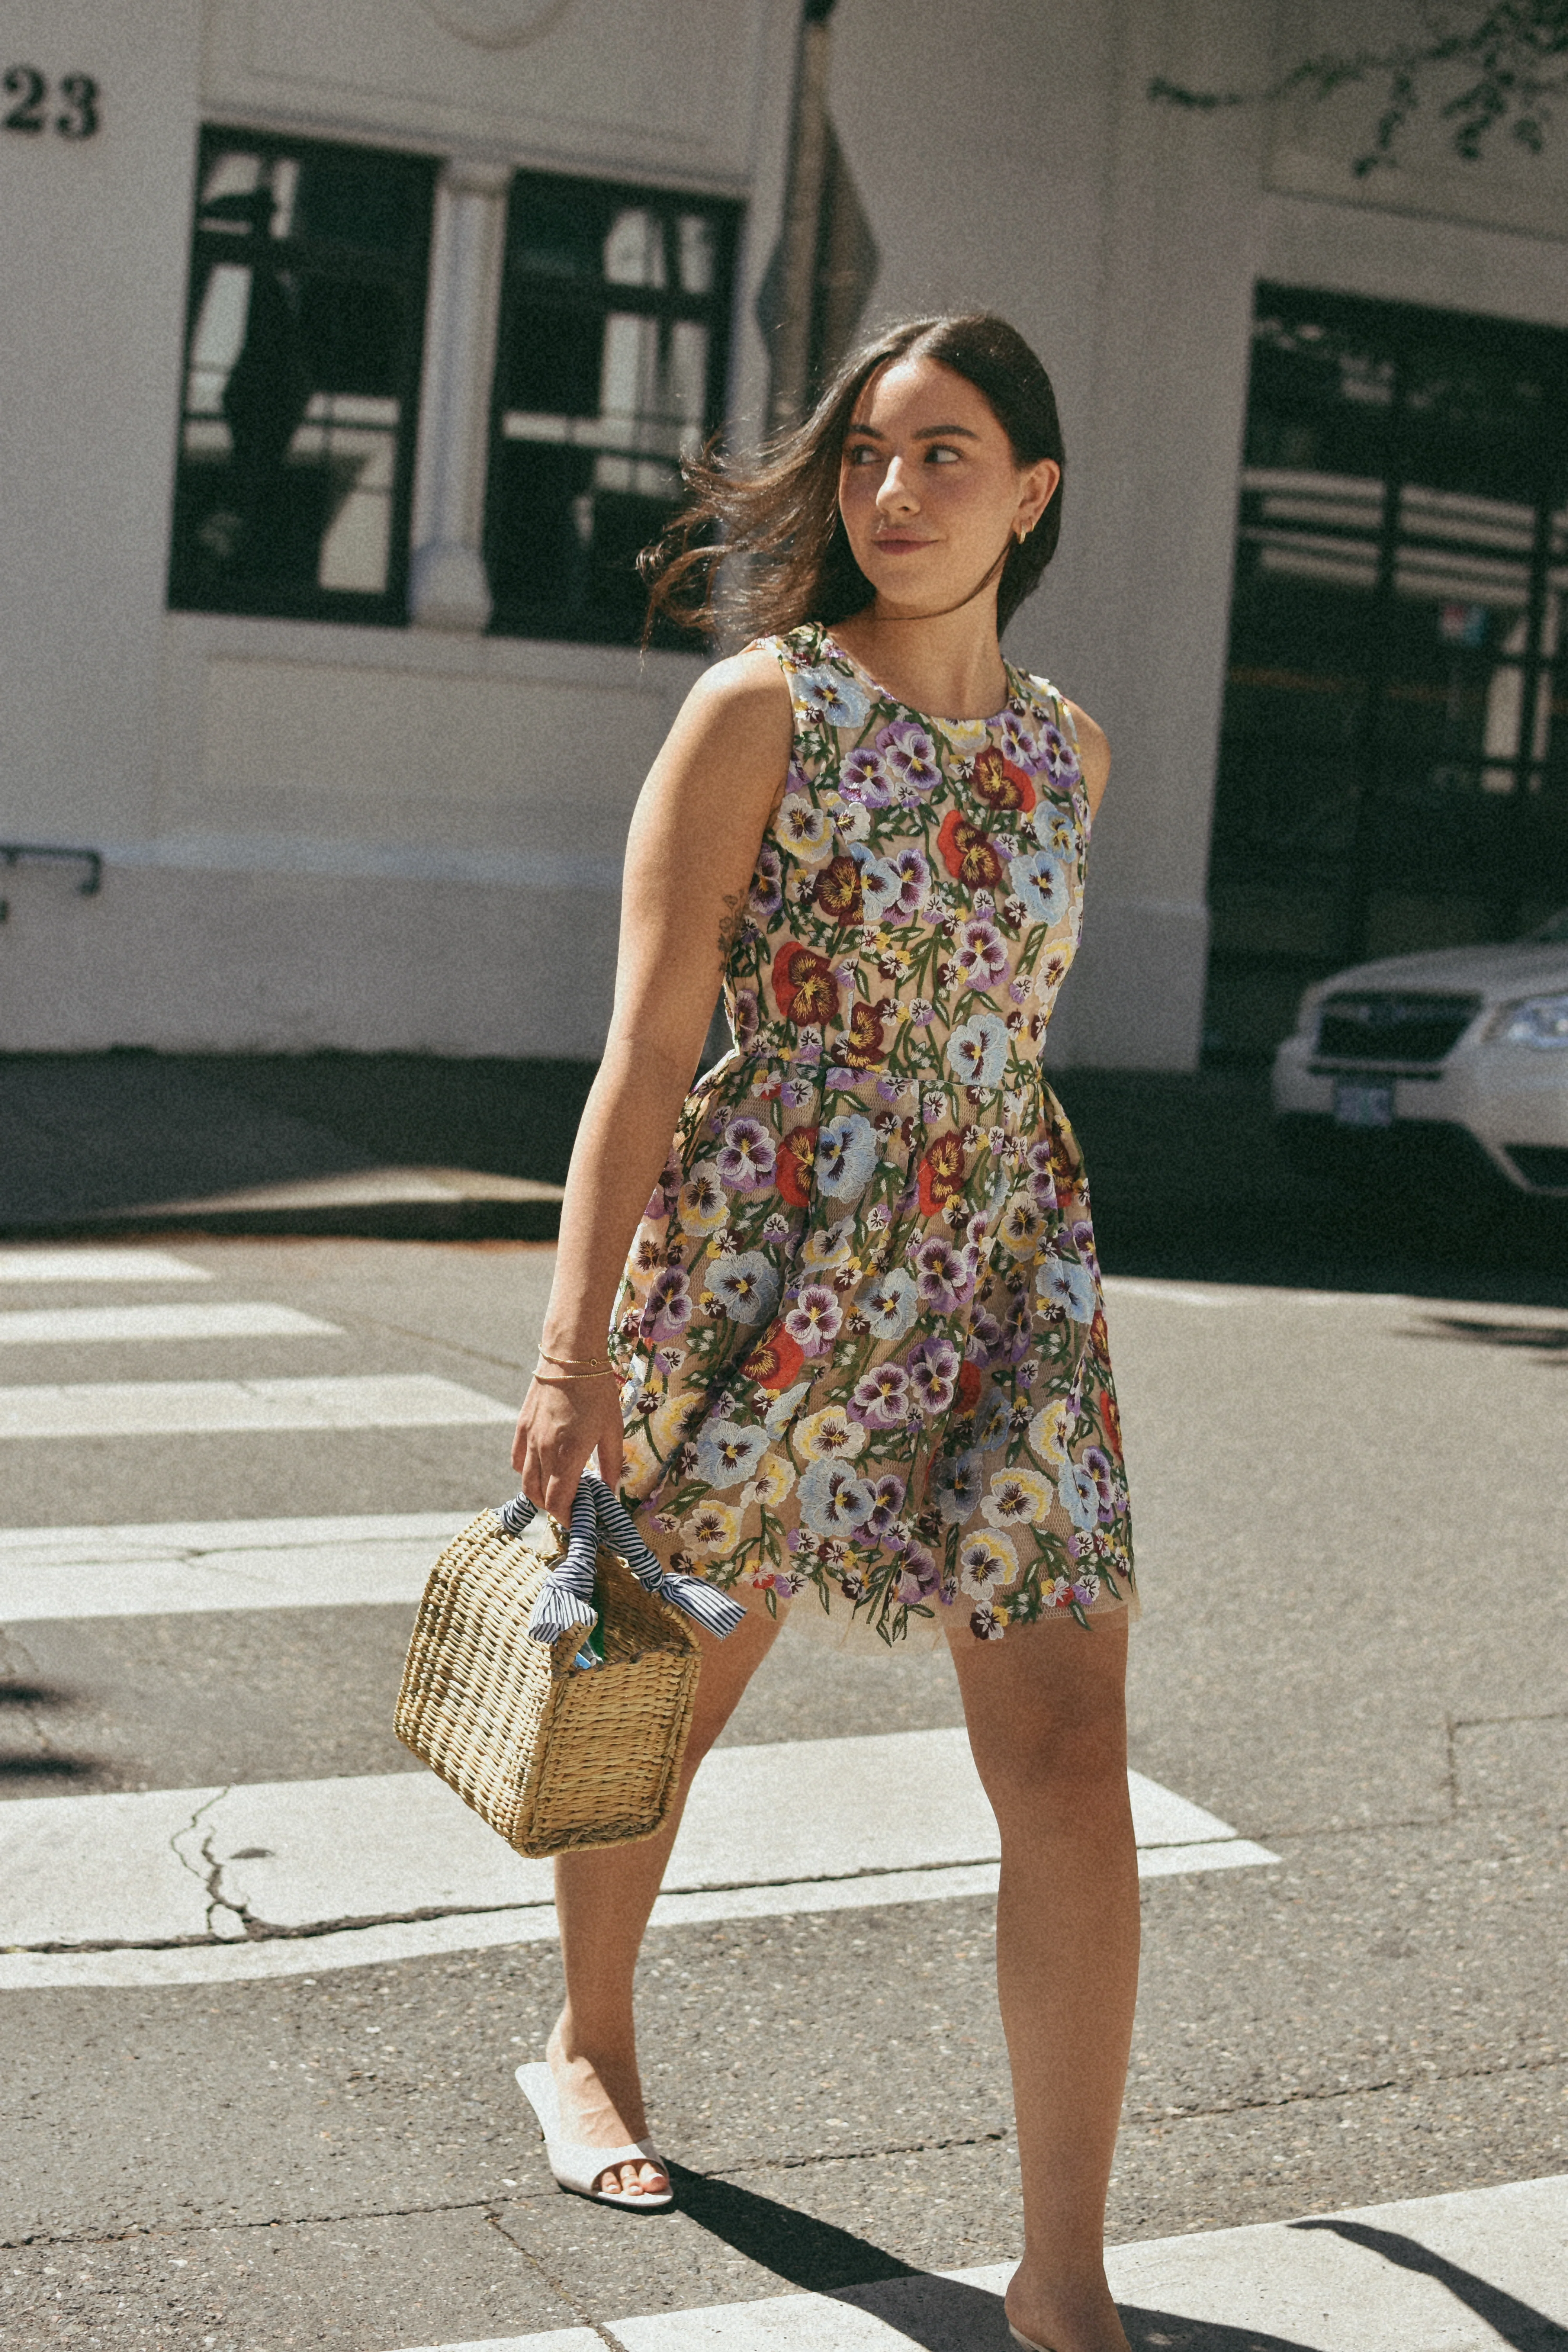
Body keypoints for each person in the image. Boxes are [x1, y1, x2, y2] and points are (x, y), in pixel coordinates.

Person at [511, 312, 1138, 2352]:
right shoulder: (759, 710)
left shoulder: (1069, 750)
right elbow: (652, 1034)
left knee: (1065, 1750)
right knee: (662, 1689)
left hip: (1004, 1269)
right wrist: (570, 1345)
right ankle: (589, 2038)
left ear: (1031, 494)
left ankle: (1063, 2282)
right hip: (771, 1245)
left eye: (945, 453)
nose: (892, 490)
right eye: (867, 453)